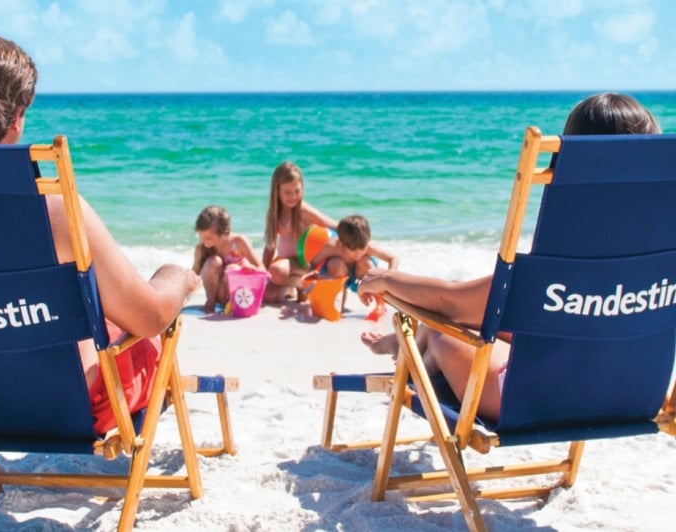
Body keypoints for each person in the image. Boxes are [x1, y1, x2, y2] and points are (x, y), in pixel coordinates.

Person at [0, 32, 200, 434]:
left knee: (88, 320)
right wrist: (176, 277)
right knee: (151, 333)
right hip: (63, 407)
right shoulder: (52, 211)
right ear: (16, 119)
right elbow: (151, 317)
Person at [358, 92, 661, 421]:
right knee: (508, 313)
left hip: (535, 400)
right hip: (628, 395)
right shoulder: (660, 257)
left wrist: (386, 279)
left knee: (440, 330)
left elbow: (448, 302)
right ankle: (403, 348)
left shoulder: (564, 258)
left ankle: (410, 355)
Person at [262, 161, 338, 301]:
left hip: (304, 263)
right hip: (286, 262)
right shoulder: (274, 213)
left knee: (276, 271)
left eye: (297, 191)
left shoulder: (302, 211)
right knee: (267, 295)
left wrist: (355, 236)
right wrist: (261, 274)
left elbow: (332, 225)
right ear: (277, 191)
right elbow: (269, 247)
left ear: (302, 188)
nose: (293, 197)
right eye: (287, 192)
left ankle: (304, 285)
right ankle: (295, 287)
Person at [306, 214, 399, 318]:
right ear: (341, 243)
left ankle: (380, 305)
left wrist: (389, 280)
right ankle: (339, 307)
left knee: (365, 262)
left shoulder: (366, 246)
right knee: (335, 263)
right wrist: (311, 277)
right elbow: (313, 263)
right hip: (339, 277)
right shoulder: (332, 246)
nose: (358, 253)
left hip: (360, 280)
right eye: (353, 250)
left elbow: (393, 258)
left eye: (362, 248)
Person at [192, 205, 265, 314]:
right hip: (215, 297)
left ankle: (231, 305)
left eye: (208, 238)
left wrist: (250, 269)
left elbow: (262, 269)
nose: (204, 241)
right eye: (201, 237)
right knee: (214, 262)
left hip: (237, 297)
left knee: (233, 268)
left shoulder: (238, 242)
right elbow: (194, 275)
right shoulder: (201, 248)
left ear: (223, 233)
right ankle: (210, 303)